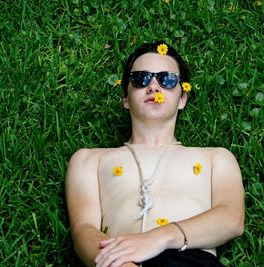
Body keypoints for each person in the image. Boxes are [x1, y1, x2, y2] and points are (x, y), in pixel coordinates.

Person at [65, 42, 245, 267]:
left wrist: (158, 238)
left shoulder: (215, 158)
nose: (153, 87)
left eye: (167, 79)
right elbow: (84, 230)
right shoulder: (90, 160)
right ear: (125, 99)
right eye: (140, 79)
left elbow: (231, 219)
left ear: (182, 99)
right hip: (119, 262)